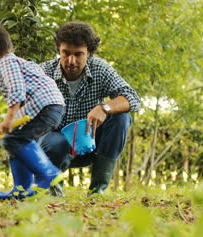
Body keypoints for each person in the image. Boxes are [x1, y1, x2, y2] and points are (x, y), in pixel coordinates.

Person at [39, 21, 141, 195]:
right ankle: (51, 190)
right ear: (59, 50)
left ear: (89, 54)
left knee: (122, 118)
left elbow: (133, 99)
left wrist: (104, 107)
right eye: (66, 53)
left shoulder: (100, 69)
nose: (71, 61)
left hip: (90, 144)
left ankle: (97, 191)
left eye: (78, 54)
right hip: (52, 146)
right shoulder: (43, 73)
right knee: (56, 142)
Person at [0, 24, 66, 199]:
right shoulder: (20, 62)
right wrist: (12, 124)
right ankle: (21, 190)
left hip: (46, 106)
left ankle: (48, 174)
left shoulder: (5, 62)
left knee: (13, 141)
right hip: (51, 106)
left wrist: (8, 118)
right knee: (15, 144)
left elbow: (17, 89)